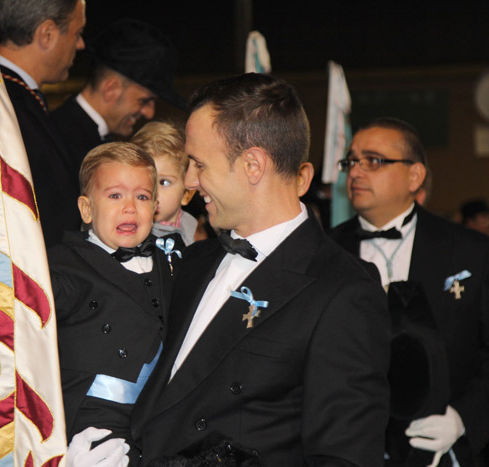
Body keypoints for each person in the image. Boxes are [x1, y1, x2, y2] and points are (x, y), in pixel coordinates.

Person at [131, 73, 391, 466]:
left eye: (198, 164)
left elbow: (342, 457)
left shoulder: (343, 292)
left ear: (253, 165)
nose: (189, 181)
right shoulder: (194, 262)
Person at [330, 117, 489, 466]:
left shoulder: (470, 252)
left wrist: (464, 418)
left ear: (415, 176)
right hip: (348, 448)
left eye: (373, 161)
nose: (355, 172)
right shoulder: (325, 252)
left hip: (444, 450)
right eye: (351, 161)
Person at [48, 143, 181, 463]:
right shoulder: (62, 267)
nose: (130, 208)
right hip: (90, 422)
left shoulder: (174, 262)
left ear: (156, 207)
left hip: (158, 420)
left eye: (142, 197)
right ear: (86, 209)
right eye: (115, 195)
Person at [0, 0, 85, 247]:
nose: (81, 44)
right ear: (47, 34)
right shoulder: (2, 102)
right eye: (77, 33)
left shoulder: (11, 94)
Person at [50, 18, 185, 175]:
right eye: (144, 100)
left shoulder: (67, 135)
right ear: (111, 89)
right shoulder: (57, 144)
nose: (149, 113)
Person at [132, 121, 197, 247]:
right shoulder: (129, 232)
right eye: (142, 181)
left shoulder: (189, 228)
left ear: (186, 194)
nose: (152, 191)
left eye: (164, 182)